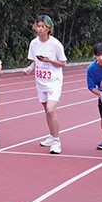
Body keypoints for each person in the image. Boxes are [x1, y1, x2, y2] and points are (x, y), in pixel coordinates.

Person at [23, 15, 67, 154]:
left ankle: (56, 141)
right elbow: (34, 61)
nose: (40, 29)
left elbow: (64, 63)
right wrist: (30, 68)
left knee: (50, 110)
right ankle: (51, 135)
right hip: (40, 82)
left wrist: (49, 61)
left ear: (49, 28)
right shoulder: (34, 43)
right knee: (46, 111)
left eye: (43, 26)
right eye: (38, 26)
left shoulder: (55, 44)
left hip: (54, 82)